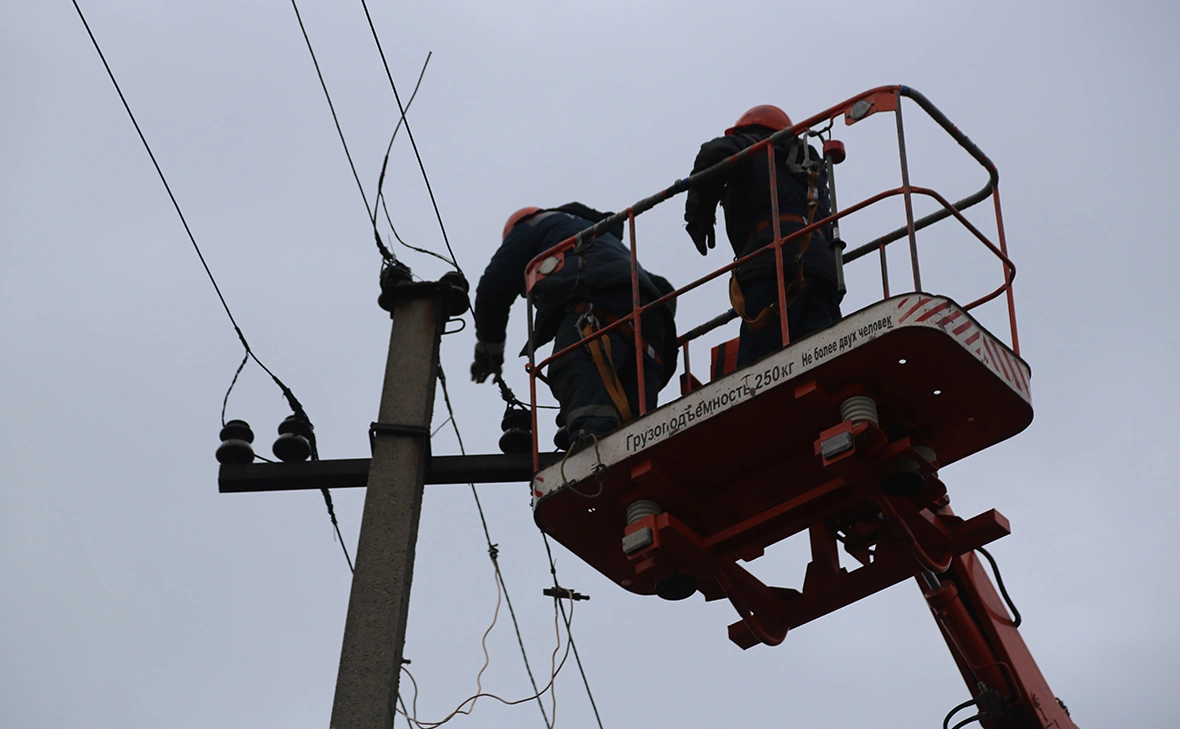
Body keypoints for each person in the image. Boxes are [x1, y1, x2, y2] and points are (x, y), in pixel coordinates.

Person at [471, 202, 677, 447]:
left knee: (571, 364)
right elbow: (663, 288)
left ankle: (591, 446)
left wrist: (489, 353)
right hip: (651, 325)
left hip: (594, 303)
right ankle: (639, 446)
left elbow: (493, 287)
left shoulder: (531, 225)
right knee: (636, 422)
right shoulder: (602, 238)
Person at [684, 104, 843, 368]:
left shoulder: (753, 145)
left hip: (771, 263)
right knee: (826, 358)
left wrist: (699, 216)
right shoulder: (810, 166)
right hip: (821, 267)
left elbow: (713, 152)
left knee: (761, 370)